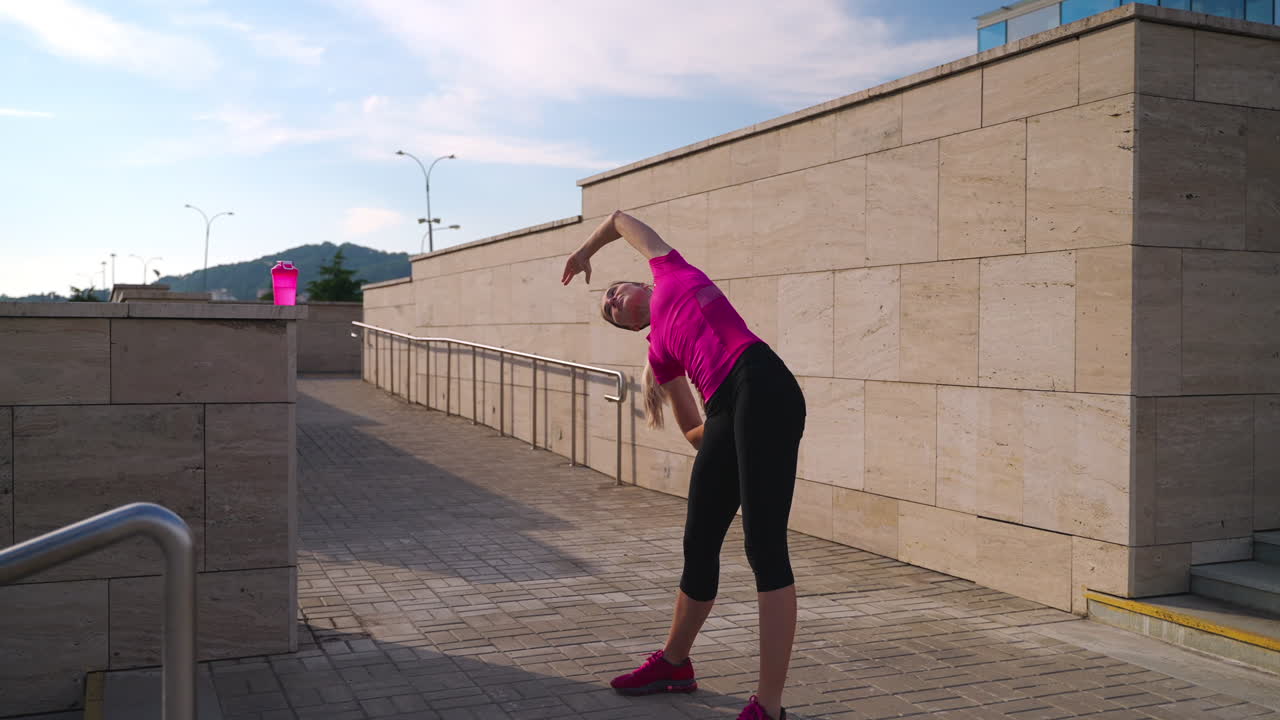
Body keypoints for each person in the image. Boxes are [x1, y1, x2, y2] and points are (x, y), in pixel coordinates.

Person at [561, 210, 806, 720]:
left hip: (760, 381)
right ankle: (675, 664)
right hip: (725, 412)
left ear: (638, 285)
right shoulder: (659, 354)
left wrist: (586, 252)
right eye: (611, 312)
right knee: (698, 542)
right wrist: (723, 442)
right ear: (631, 324)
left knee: (763, 546)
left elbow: (619, 219)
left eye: (612, 294)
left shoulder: (671, 269)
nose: (612, 302)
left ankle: (769, 706)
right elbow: (694, 430)